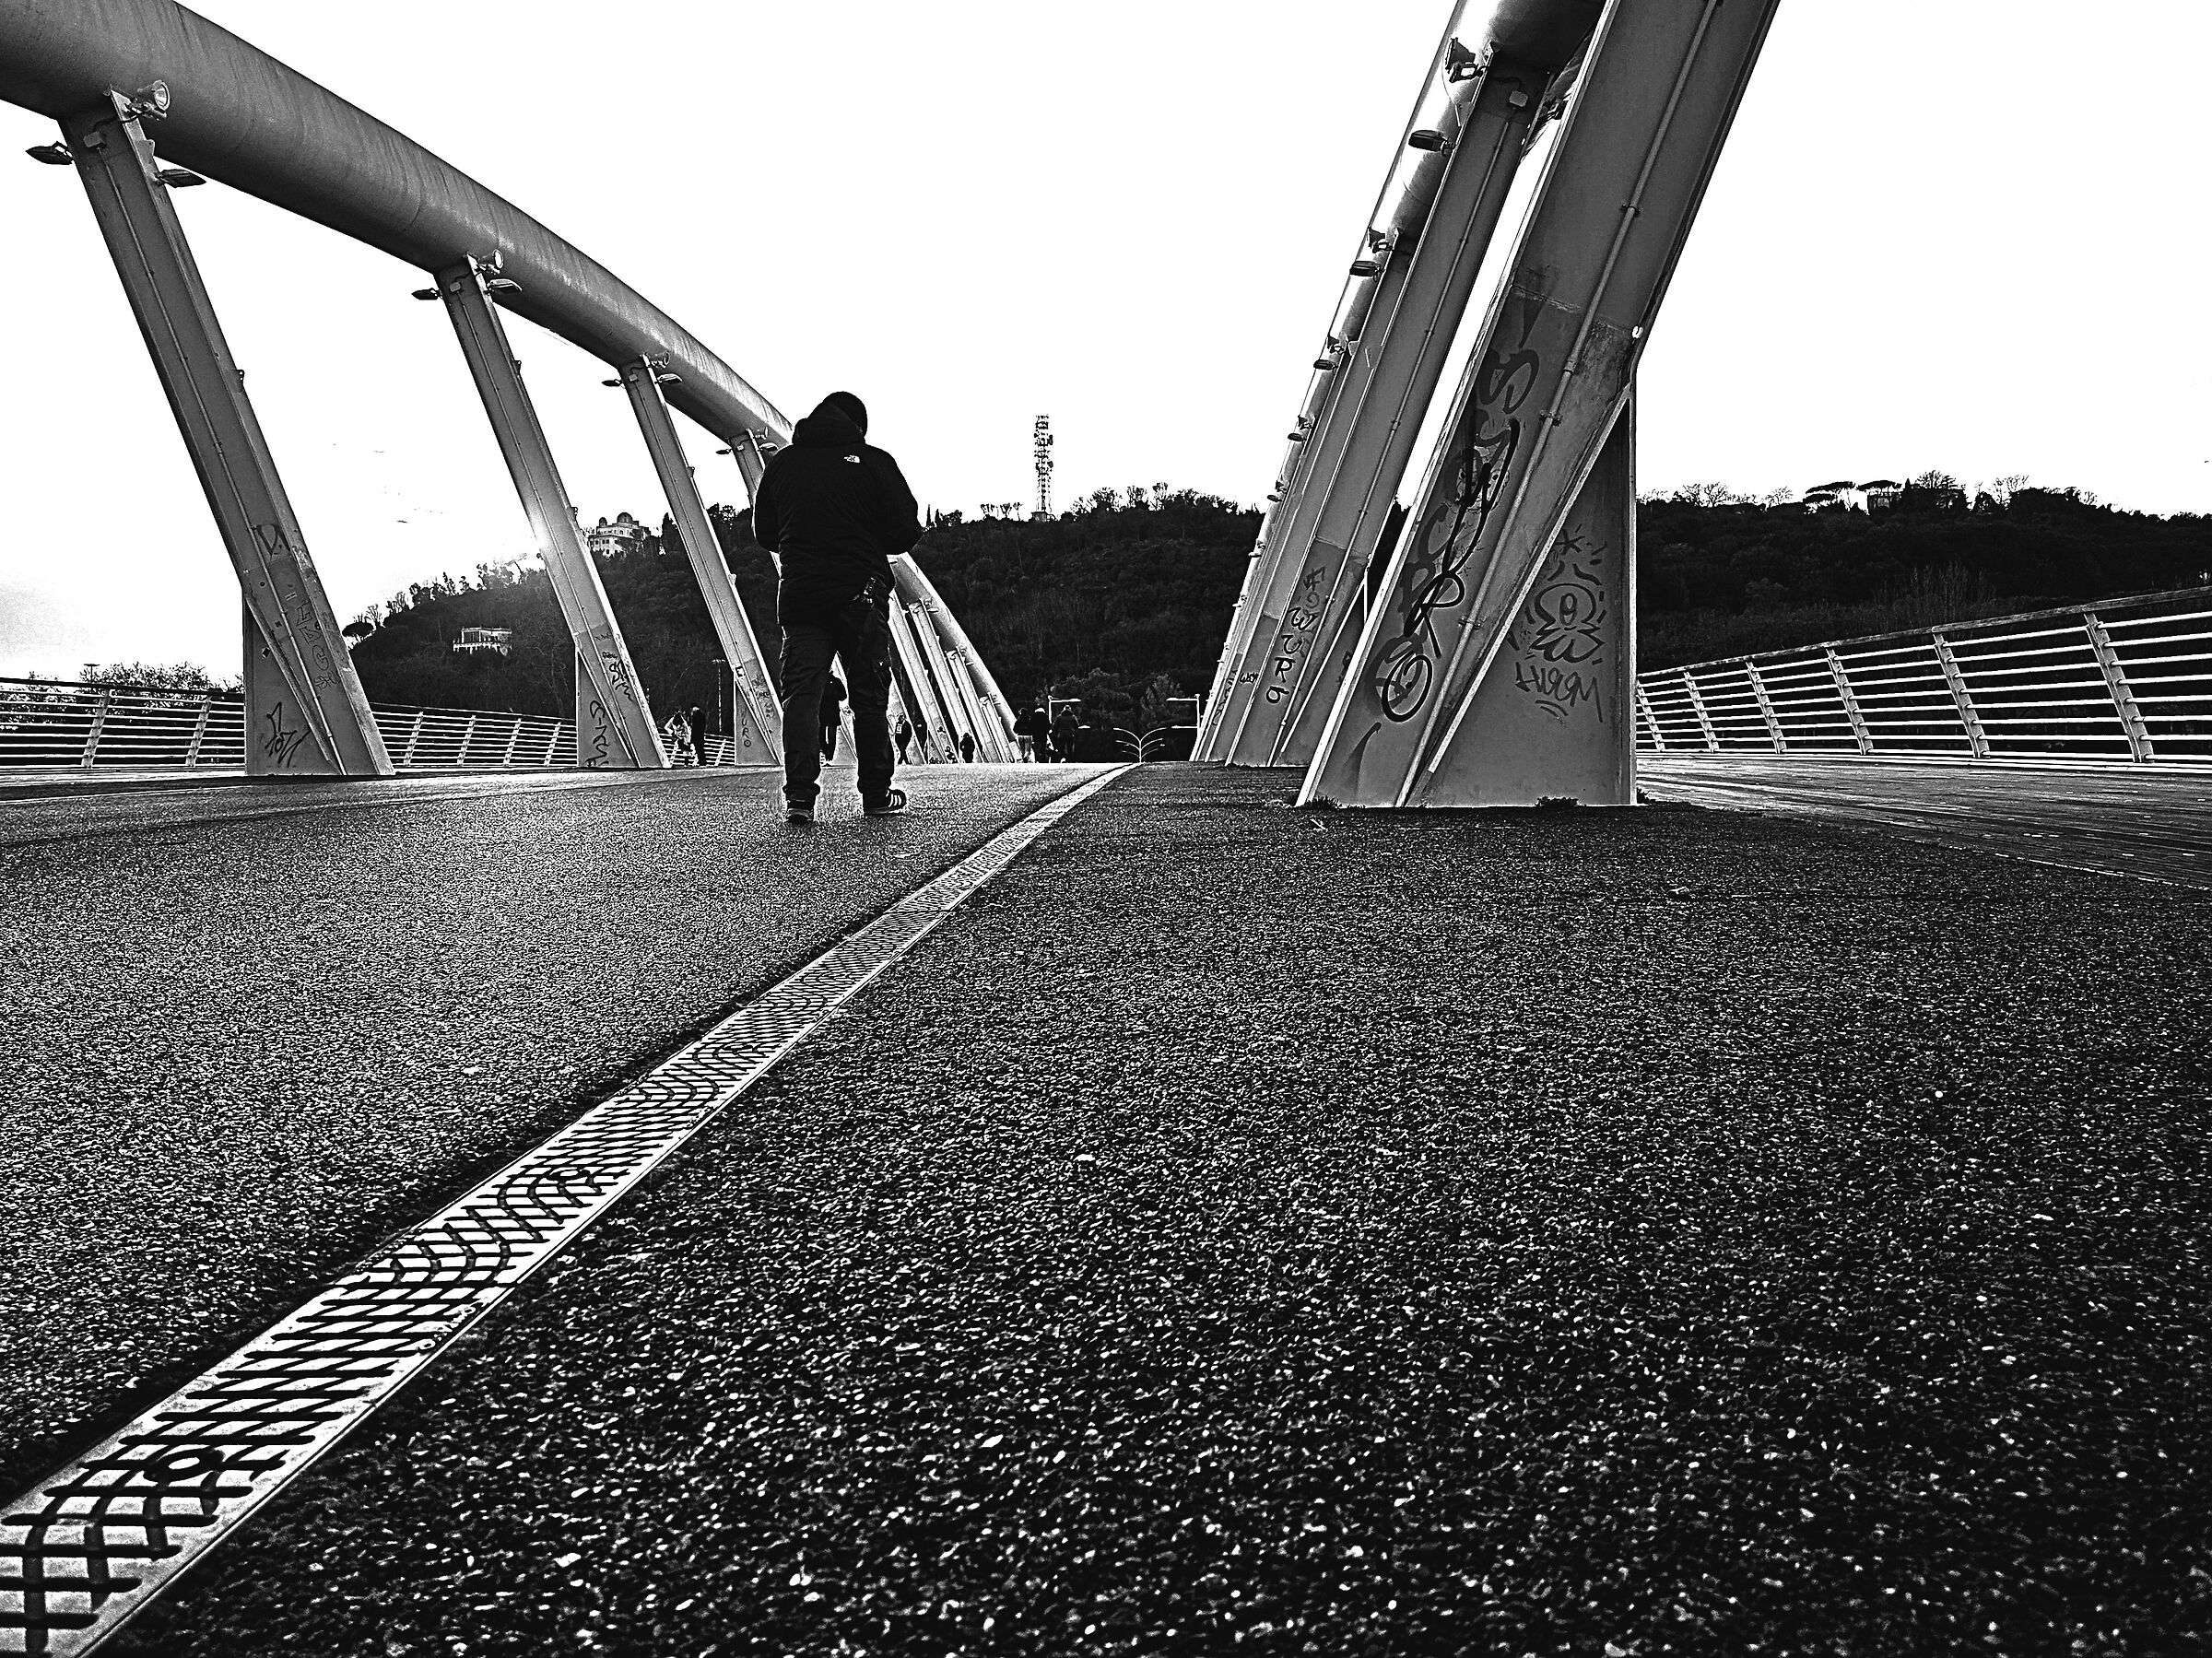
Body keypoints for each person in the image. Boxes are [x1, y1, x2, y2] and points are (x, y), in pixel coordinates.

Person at [751, 392, 922, 823]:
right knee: (868, 694)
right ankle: (877, 793)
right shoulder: (875, 462)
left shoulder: (783, 464)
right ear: (858, 426)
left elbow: (766, 534)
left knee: (802, 696)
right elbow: (905, 532)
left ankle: (800, 799)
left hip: (803, 596)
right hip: (859, 594)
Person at [821, 672, 846, 762]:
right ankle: (826, 754)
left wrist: (834, 694)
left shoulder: (835, 681)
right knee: (822, 736)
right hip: (824, 711)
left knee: (831, 736)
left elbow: (843, 696)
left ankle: (829, 756)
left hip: (831, 711)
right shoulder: (820, 681)